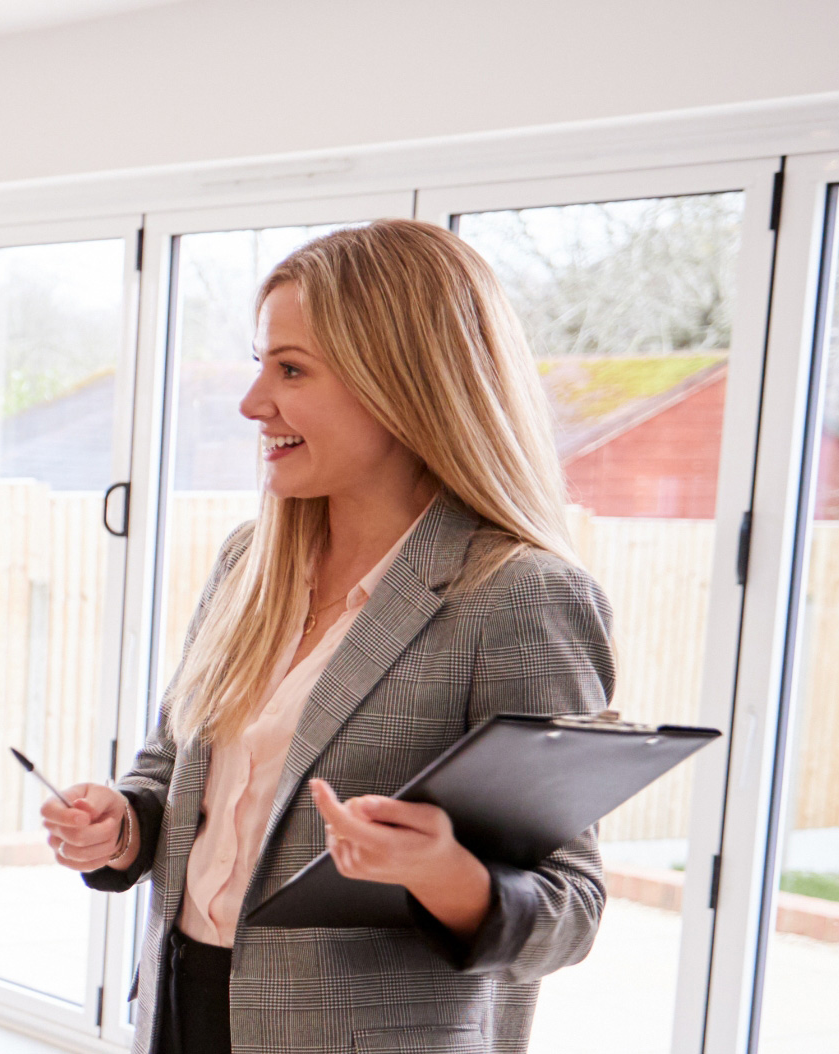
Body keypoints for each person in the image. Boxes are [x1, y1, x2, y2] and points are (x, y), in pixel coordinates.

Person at [40, 219, 613, 1054]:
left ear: (401, 383)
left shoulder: (519, 596)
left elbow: (571, 906)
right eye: (259, 364)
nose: (251, 403)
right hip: (184, 1006)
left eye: (292, 369)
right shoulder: (251, 563)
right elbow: (175, 766)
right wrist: (124, 822)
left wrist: (444, 875)